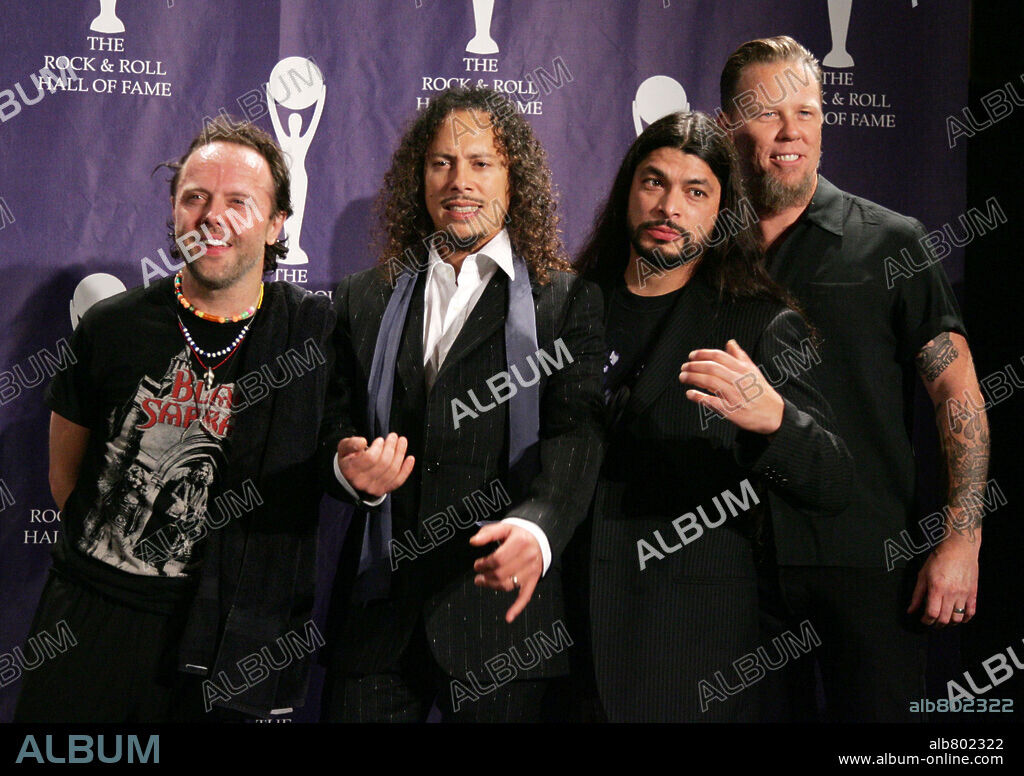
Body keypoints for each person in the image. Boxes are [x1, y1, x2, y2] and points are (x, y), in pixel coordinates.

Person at [14, 118, 335, 722]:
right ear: (174, 212)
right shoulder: (112, 326)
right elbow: (68, 479)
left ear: (276, 224)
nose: (213, 216)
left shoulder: (312, 338)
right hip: (90, 623)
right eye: (195, 198)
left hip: (230, 638)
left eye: (239, 201)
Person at [719, 36, 990, 722]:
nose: (790, 132)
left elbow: (957, 392)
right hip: (729, 572)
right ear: (726, 124)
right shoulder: (701, 246)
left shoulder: (891, 242)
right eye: (767, 111)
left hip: (871, 570)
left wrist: (962, 537)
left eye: (807, 112)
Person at [319, 86, 606, 723]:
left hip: (504, 620)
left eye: (482, 162)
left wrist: (539, 526)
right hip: (378, 620)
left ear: (515, 176)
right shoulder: (363, 297)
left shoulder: (565, 301)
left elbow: (577, 433)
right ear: (419, 177)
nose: (459, 181)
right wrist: (346, 466)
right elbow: (330, 423)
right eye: (442, 162)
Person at [571, 110, 852, 722]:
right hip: (558, 653)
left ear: (722, 212)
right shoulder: (567, 304)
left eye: (695, 191)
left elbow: (833, 478)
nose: (669, 206)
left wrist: (776, 421)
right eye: (654, 182)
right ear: (627, 192)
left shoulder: (756, 323)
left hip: (684, 658)